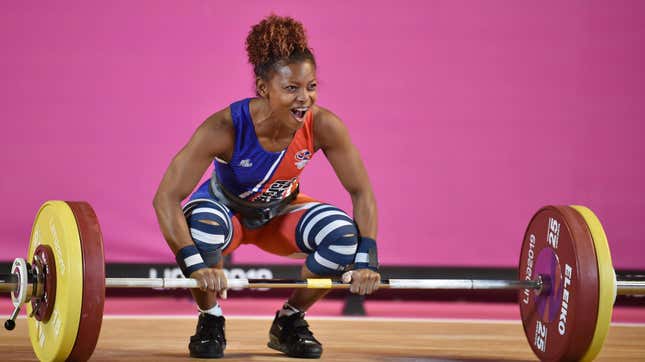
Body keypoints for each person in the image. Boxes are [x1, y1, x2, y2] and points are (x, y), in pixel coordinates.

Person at [153, 14, 380, 359]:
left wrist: (367, 261)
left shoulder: (324, 126)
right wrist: (193, 265)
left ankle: (289, 321)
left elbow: (362, 192)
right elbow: (165, 198)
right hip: (226, 211)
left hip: (278, 216)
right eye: (291, 88)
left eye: (311, 86)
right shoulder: (224, 127)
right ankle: (210, 318)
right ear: (263, 89)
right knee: (203, 227)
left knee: (343, 237)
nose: (305, 99)